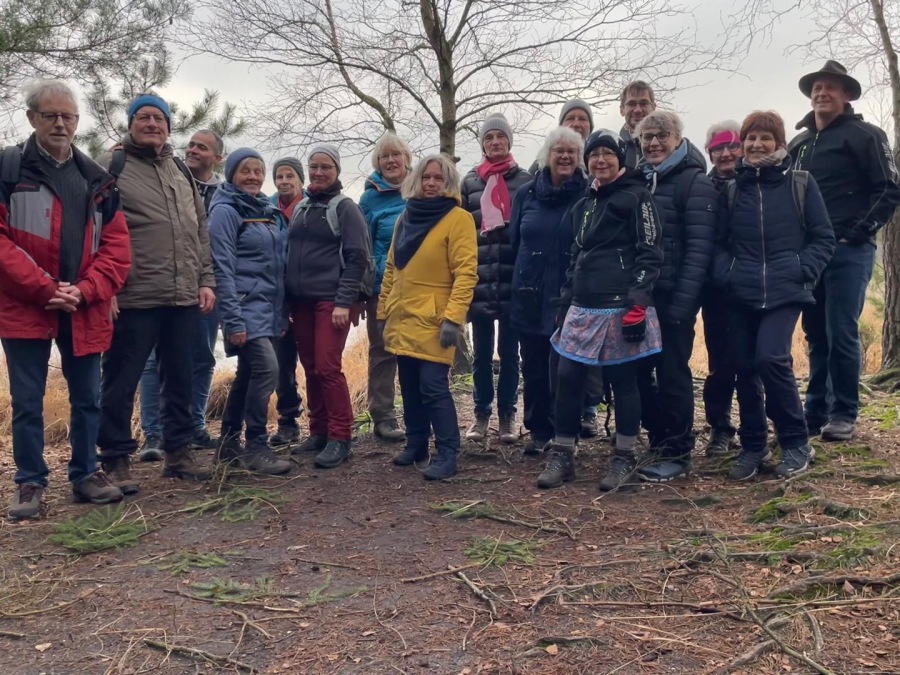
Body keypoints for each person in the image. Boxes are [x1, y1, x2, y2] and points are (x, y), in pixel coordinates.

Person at [0, 79, 132, 518]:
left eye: (68, 116)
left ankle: (86, 473)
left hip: (82, 306)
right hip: (25, 305)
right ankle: (30, 482)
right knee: (27, 401)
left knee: (88, 398)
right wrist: (44, 287)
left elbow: (117, 250)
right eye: (50, 115)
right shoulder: (9, 170)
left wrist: (86, 290)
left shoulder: (97, 178)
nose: (60, 123)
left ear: (77, 121)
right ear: (31, 118)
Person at [97, 93, 217, 490]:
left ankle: (177, 454)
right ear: (131, 124)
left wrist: (205, 280)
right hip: (134, 296)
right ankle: (115, 458)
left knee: (180, 378)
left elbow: (199, 229)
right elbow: (92, 228)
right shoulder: (112, 166)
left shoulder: (179, 169)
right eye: (144, 117)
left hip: (183, 296)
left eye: (159, 119)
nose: (152, 124)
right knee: (121, 379)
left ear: (168, 126)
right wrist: (105, 287)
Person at [540, 130, 663, 491]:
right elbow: (576, 256)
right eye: (594, 155)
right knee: (567, 377)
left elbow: (650, 251)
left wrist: (638, 301)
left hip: (621, 305)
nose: (601, 160)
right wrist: (565, 302)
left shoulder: (638, 197)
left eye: (608, 154)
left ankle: (624, 457)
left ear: (620, 160)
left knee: (624, 382)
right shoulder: (585, 203)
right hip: (582, 305)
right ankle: (563, 453)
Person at [716, 111, 835, 479]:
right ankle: (754, 446)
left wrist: (802, 269)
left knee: (771, 359)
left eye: (765, 138)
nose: (757, 144)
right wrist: (729, 273)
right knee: (744, 366)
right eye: (750, 138)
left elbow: (823, 237)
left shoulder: (800, 183)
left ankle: (796, 441)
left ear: (779, 143)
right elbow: (719, 244)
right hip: (741, 292)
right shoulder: (732, 189)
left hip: (786, 291)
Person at [790, 60, 900, 442]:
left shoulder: (865, 135)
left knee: (841, 331)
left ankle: (843, 413)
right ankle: (814, 410)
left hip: (848, 252)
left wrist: (857, 232)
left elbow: (888, 189)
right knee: (815, 334)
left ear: (847, 95)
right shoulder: (799, 144)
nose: (822, 93)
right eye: (817, 88)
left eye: (830, 88)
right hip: (809, 255)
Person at [377, 154, 478, 480]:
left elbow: (466, 273)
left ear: (449, 183)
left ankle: (448, 452)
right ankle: (416, 443)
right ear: (416, 180)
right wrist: (383, 311)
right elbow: (391, 269)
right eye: (426, 177)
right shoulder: (405, 217)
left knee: (433, 386)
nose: (431, 183)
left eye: (439, 178)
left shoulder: (458, 219)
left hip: (436, 321)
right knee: (409, 385)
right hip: (403, 315)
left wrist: (453, 318)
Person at [635, 110, 718, 482]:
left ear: (677, 139)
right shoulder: (638, 180)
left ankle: (679, 451)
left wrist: (684, 305)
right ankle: (659, 439)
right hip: (642, 297)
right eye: (647, 137)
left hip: (674, 298)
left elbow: (699, 250)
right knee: (638, 373)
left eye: (661, 135)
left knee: (672, 373)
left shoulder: (694, 182)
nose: (654, 143)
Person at [138, 129, 224, 462]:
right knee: (152, 360)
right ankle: (154, 433)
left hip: (207, 285)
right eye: (191, 145)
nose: (193, 150)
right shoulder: (168, 178)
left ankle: (195, 427)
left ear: (217, 158)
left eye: (202, 147)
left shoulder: (224, 193)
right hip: (161, 283)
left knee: (202, 357)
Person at [209, 148, 292, 475]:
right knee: (268, 370)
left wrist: (280, 315)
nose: (253, 176)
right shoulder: (226, 211)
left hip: (267, 310)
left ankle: (228, 445)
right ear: (232, 174)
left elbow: (276, 268)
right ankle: (256, 445)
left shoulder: (264, 210)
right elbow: (222, 268)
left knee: (247, 374)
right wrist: (233, 320)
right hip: (243, 308)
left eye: (258, 171)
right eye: (246, 170)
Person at [286, 144, 368, 468]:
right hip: (300, 302)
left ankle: (340, 437)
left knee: (327, 367)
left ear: (336, 171)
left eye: (326, 167)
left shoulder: (345, 208)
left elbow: (357, 257)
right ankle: (318, 431)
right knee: (310, 367)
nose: (319, 172)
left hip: (331, 301)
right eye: (314, 166)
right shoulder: (302, 207)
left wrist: (344, 301)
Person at [510, 127, 588, 456]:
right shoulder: (526, 194)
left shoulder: (588, 194)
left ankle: (565, 433)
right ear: (547, 155)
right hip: (530, 292)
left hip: (572, 294)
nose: (565, 156)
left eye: (572, 151)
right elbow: (514, 242)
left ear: (580, 157)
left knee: (567, 369)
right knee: (534, 366)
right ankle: (538, 430)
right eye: (559, 151)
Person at [462, 113, 531, 444]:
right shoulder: (469, 182)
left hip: (512, 278)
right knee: (481, 353)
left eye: (500, 136)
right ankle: (481, 413)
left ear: (509, 141)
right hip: (479, 279)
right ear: (483, 144)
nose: (494, 142)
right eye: (488, 137)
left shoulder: (526, 180)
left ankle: (507, 415)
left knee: (509, 352)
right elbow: (461, 230)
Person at [360, 132, 412, 444]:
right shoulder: (370, 199)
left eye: (396, 154)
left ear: (407, 158)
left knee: (420, 350)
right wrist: (362, 289)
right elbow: (360, 246)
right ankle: (383, 416)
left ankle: (421, 412)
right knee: (382, 351)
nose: (391, 161)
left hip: (420, 286)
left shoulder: (422, 189)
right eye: (384, 156)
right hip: (382, 288)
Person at [701, 121, 742, 456]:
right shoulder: (703, 188)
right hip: (715, 288)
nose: (726, 153)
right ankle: (720, 427)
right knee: (720, 361)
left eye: (732, 146)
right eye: (718, 148)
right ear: (709, 152)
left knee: (759, 361)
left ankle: (760, 428)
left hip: (756, 285)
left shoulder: (758, 182)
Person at [267, 157, 306, 448]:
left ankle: (323, 422)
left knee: (316, 362)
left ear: (300, 180)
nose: (284, 181)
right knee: (282, 363)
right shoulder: (266, 209)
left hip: (308, 294)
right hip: (276, 298)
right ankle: (288, 420)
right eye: (279, 176)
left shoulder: (312, 207)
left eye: (289, 175)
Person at [619, 81, 656, 169]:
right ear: (622, 109)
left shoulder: (667, 148)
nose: (637, 110)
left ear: (653, 107)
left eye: (644, 103)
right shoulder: (614, 150)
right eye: (631, 104)